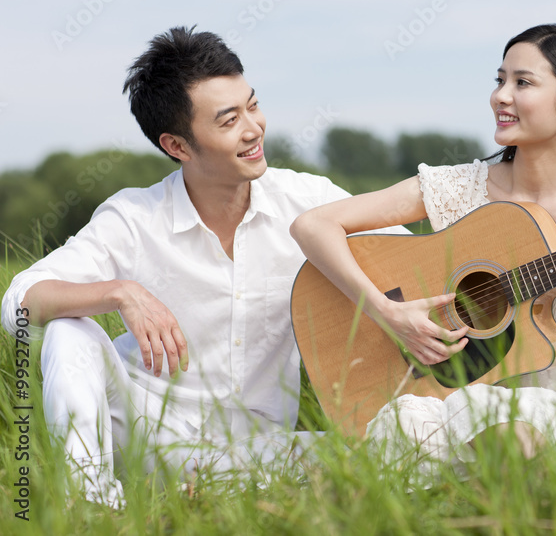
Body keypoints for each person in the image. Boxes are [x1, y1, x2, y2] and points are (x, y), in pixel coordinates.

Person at [290, 24, 556, 469]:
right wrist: (388, 312)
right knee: (436, 430)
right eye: (499, 80)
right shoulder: (454, 186)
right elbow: (314, 225)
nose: (501, 96)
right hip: (448, 401)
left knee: (509, 437)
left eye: (523, 82)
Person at [0, 26, 381, 506]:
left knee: (383, 449)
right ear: (177, 146)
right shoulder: (135, 217)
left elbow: (412, 259)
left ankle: (203, 495)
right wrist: (120, 293)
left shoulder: (309, 203)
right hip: (139, 433)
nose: (253, 128)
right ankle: (92, 506)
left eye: (253, 105)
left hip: (257, 448)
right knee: (69, 331)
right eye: (228, 121)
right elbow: (18, 301)